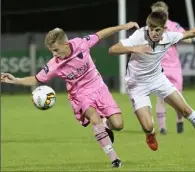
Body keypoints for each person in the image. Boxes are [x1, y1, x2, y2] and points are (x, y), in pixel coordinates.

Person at [1, 22, 139, 168]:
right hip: (79, 95)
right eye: (51, 51)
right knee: (94, 118)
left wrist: (122, 27)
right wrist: (15, 80)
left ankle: (106, 125)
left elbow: (101, 34)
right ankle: (114, 159)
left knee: (118, 125)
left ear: (66, 44)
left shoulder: (81, 44)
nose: (54, 54)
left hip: (99, 87)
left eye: (55, 50)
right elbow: (36, 79)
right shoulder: (54, 64)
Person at [108, 8, 195, 154]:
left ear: (165, 29)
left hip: (158, 79)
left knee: (186, 110)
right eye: (151, 29)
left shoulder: (169, 37)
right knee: (147, 126)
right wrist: (135, 49)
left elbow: (191, 33)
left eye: (158, 30)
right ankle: (150, 133)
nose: (154, 33)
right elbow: (112, 49)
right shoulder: (139, 35)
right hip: (137, 84)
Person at [151, 1, 192, 135]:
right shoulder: (151, 27)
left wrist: (175, 35)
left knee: (177, 97)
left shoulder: (174, 26)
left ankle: (180, 119)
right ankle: (162, 128)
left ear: (166, 13)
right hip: (159, 67)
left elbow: (189, 39)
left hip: (174, 67)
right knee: (160, 97)